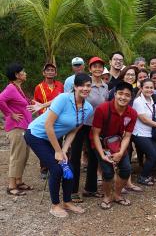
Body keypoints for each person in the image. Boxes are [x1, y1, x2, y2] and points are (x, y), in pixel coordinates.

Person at [24, 73, 93, 218]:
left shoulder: (88, 108)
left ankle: (67, 201)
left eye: (88, 85)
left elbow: (73, 131)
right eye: (82, 85)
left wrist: (64, 149)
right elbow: (48, 125)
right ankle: (55, 205)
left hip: (53, 139)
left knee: (69, 167)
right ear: (75, 86)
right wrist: (57, 151)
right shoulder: (63, 99)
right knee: (56, 168)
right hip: (36, 135)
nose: (85, 88)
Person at [92, 82, 138, 209]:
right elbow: (95, 134)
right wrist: (102, 155)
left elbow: (127, 136)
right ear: (115, 94)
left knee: (126, 169)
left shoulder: (132, 113)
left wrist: (121, 153)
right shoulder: (102, 109)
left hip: (117, 143)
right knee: (107, 172)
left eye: (127, 95)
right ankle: (107, 196)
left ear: (131, 97)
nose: (123, 97)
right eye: (120, 94)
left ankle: (117, 195)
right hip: (101, 143)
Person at [69, 57, 109, 203]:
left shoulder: (106, 87)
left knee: (94, 156)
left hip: (96, 126)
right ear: (90, 68)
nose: (97, 69)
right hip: (80, 124)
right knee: (75, 156)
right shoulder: (85, 84)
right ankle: (72, 190)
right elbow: (72, 99)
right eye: (95, 66)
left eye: (100, 67)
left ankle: (90, 189)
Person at [0, 63, 33, 196]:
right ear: (16, 75)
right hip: (15, 127)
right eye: (23, 71)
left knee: (24, 155)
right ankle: (11, 185)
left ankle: (19, 181)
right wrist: (10, 114)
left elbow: (20, 104)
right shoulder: (11, 88)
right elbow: (0, 99)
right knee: (17, 155)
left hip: (23, 126)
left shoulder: (18, 88)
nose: (25, 73)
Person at [132, 79, 156, 185]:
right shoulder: (138, 101)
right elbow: (143, 119)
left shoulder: (152, 99)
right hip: (140, 133)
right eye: (146, 87)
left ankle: (147, 175)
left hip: (150, 133)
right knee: (153, 155)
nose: (149, 89)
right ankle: (142, 177)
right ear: (141, 88)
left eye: (151, 87)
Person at [32, 63, 64, 179]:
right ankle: (44, 168)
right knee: (44, 143)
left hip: (59, 120)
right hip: (45, 120)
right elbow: (36, 104)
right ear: (43, 73)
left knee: (57, 142)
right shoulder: (39, 87)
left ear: (55, 73)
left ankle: (56, 165)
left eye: (52, 70)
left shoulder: (60, 85)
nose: (50, 72)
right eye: (48, 70)